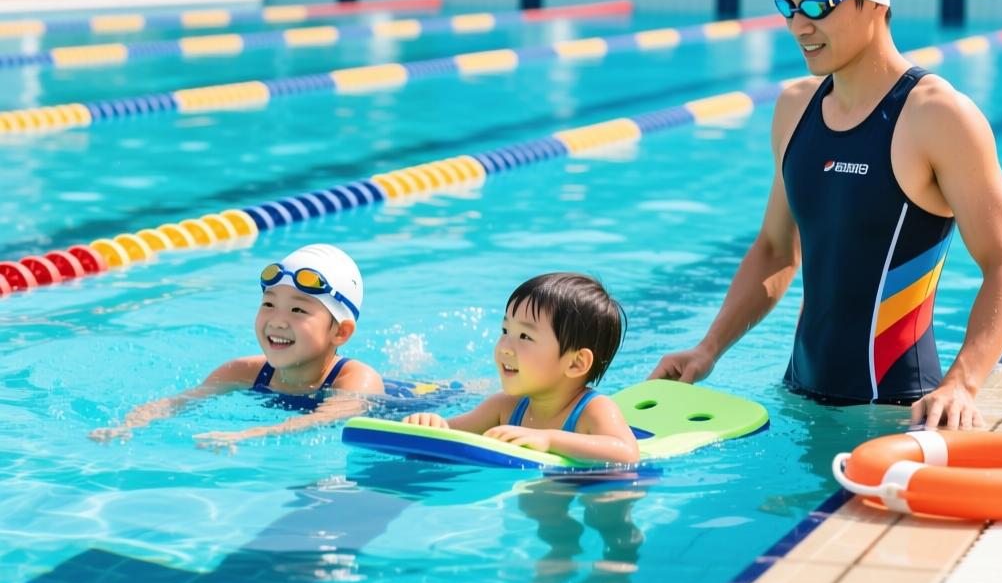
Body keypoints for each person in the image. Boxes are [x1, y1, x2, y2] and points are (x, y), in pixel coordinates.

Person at [650, 0, 1002, 431]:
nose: (798, 24)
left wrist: (962, 384)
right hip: (796, 401)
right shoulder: (795, 108)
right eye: (786, 4)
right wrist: (708, 348)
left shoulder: (937, 116)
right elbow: (775, 250)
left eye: (817, 4)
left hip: (893, 410)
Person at [91, 243, 385, 448]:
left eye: (298, 310)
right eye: (269, 304)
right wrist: (129, 425)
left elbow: (322, 419)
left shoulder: (358, 380)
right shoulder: (241, 372)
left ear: (341, 332)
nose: (278, 321)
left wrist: (248, 435)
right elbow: (178, 402)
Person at [404, 273, 640, 465]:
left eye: (525, 336)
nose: (504, 347)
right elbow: (451, 434)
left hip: (593, 483)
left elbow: (626, 453)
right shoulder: (504, 406)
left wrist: (549, 439)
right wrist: (430, 423)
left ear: (575, 363)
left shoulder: (593, 410)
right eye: (505, 331)